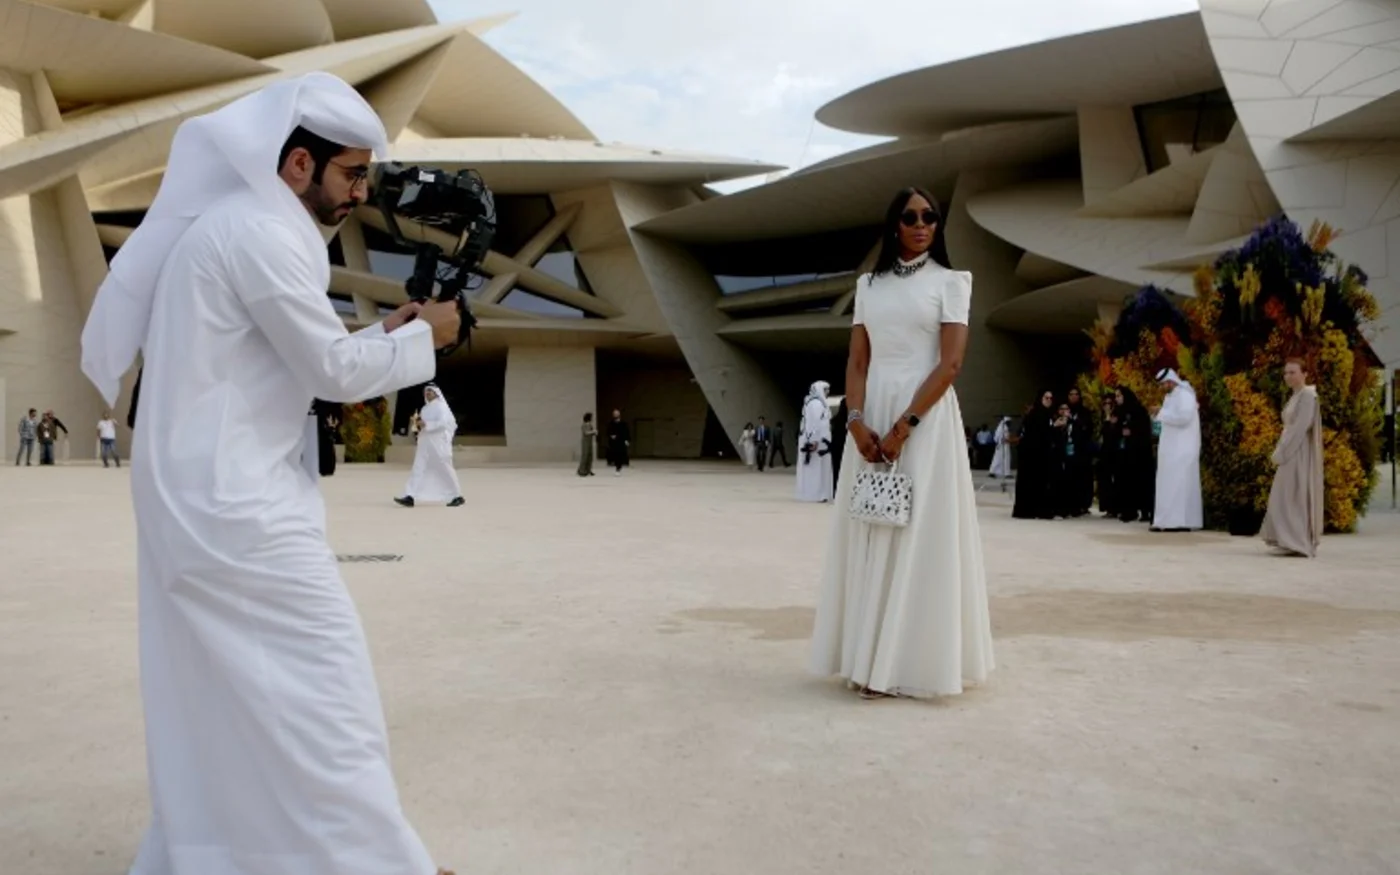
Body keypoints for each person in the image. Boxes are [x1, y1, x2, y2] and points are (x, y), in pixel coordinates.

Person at [78, 73, 462, 875]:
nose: (362, 191)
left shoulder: (241, 224)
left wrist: (388, 331)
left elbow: (294, 352)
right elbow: (329, 371)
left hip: (208, 496)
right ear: (297, 164)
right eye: (352, 173)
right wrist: (430, 337)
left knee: (227, 696)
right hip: (236, 508)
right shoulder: (259, 231)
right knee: (329, 690)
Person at [808, 186, 994, 700]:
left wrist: (904, 425)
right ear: (895, 224)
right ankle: (867, 658)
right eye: (911, 217)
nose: (921, 225)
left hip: (925, 415)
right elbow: (857, 361)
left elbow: (950, 364)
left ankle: (904, 664)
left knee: (916, 532)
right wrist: (856, 421)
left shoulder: (952, 282)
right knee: (871, 526)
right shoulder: (869, 286)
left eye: (930, 217)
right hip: (871, 415)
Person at [1261, 359, 1324, 557]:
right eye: (1286, 373)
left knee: (1294, 494)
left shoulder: (1307, 396)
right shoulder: (1296, 396)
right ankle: (1287, 539)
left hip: (1298, 451)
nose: (1288, 376)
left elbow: (1300, 427)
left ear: (1304, 374)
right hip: (1290, 448)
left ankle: (1297, 541)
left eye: (1292, 372)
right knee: (1285, 495)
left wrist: (1283, 452)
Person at [1151, 368, 1203, 531]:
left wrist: (1161, 412)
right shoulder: (1170, 397)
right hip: (1170, 449)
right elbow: (1168, 418)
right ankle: (1165, 521)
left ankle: (1179, 522)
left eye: (1163, 384)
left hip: (1182, 449)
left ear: (1171, 381)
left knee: (1179, 485)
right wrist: (1158, 415)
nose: (1161, 387)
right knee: (1168, 484)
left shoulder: (1185, 395)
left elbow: (1184, 418)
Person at [395, 384, 464, 508]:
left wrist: (426, 424)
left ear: (436, 393)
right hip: (425, 443)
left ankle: (457, 495)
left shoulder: (441, 407)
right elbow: (422, 425)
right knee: (418, 467)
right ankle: (409, 495)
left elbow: (443, 423)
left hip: (438, 443)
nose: (427, 393)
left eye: (430, 391)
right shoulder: (425, 408)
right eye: (426, 391)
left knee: (445, 468)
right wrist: (418, 424)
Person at [1113, 387, 1156, 524]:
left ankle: (1145, 511)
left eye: (1119, 396)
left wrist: (1132, 431)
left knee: (1142, 482)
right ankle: (1128, 511)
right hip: (1124, 452)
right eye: (1116, 396)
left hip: (1139, 453)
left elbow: (1144, 430)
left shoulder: (1138, 410)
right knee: (1126, 482)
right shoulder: (1118, 411)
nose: (1117, 399)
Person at [1012, 391, 1056, 519]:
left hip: (1042, 455)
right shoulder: (1035, 414)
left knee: (1041, 483)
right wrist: (1053, 427)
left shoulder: (1048, 414)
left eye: (1051, 398)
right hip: (1032, 456)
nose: (1049, 400)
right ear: (1040, 398)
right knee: (1031, 483)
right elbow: (1036, 434)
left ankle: (1040, 510)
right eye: (1046, 398)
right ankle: (1028, 510)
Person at [795, 381, 835, 503]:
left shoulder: (820, 403)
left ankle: (822, 493)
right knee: (815, 468)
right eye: (825, 389)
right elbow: (813, 424)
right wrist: (813, 440)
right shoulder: (815, 403)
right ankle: (815, 494)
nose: (827, 392)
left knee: (821, 468)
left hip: (821, 441)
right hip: (816, 441)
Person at [606, 409, 630, 475]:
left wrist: (627, 440)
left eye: (616, 414)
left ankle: (618, 468)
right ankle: (615, 464)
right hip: (613, 442)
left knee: (620, 454)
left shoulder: (623, 423)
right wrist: (611, 435)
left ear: (619, 415)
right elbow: (608, 431)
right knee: (614, 454)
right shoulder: (610, 423)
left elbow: (626, 432)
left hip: (621, 441)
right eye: (614, 414)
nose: (615, 415)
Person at [989, 414, 1013, 479]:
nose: (1010, 423)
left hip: (1005, 445)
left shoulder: (1005, 427)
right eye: (1009, 422)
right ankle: (993, 472)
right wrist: (1001, 440)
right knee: (998, 459)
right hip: (1002, 445)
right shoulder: (1002, 428)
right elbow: (997, 437)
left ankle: (1006, 473)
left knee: (1005, 459)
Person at [578, 412, 598, 477]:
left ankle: (588, 470)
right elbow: (586, 432)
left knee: (590, 456)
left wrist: (595, 433)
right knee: (585, 456)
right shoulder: (584, 425)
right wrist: (593, 431)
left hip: (590, 442)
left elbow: (591, 432)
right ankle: (581, 470)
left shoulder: (590, 425)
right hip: (585, 442)